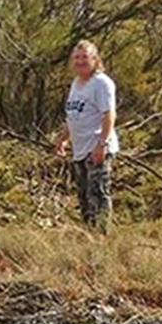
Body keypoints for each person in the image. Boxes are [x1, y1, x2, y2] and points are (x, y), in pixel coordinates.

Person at [55, 39, 119, 230]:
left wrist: (101, 144)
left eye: (85, 57)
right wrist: (63, 139)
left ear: (94, 59)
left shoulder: (101, 83)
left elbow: (109, 114)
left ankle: (102, 237)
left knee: (97, 194)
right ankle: (89, 235)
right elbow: (73, 116)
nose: (80, 61)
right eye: (76, 57)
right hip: (80, 150)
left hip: (97, 148)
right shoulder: (76, 83)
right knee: (83, 197)